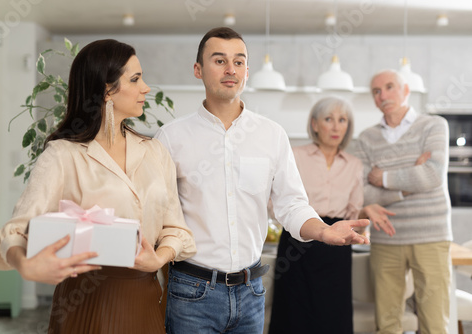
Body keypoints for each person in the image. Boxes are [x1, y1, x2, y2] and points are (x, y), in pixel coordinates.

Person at [154, 27, 369, 334]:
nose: (231, 69)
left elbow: (291, 204)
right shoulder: (171, 138)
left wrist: (323, 230)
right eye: (219, 61)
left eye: (239, 61)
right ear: (197, 69)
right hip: (192, 291)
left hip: (250, 291)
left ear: (247, 71)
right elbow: (156, 212)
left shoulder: (271, 135)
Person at [0, 39, 196, 334]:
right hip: (84, 302)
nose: (146, 88)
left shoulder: (155, 152)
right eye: (135, 79)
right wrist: (23, 263)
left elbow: (176, 229)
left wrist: (158, 259)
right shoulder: (62, 156)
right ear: (106, 90)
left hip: (145, 301)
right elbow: (12, 233)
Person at [268, 96, 394, 334]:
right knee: (293, 312)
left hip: (336, 246)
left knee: (333, 313)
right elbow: (276, 202)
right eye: (329, 119)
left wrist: (365, 212)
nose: (336, 126)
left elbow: (353, 209)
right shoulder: (294, 155)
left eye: (342, 120)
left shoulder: (354, 164)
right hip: (299, 240)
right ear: (315, 124)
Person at [354, 69, 452, 334]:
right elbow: (362, 194)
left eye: (389, 87)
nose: (383, 95)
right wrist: (408, 184)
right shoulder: (365, 139)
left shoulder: (433, 125)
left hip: (431, 236)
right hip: (386, 238)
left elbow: (432, 175)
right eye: (376, 91)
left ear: (406, 90)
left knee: (435, 324)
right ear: (373, 99)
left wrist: (382, 176)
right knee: (387, 325)